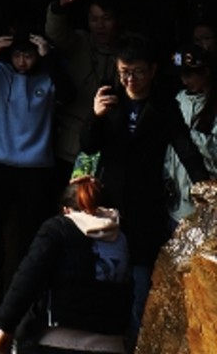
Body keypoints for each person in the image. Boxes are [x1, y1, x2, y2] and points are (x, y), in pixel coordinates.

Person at [80, 33, 207, 337]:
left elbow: (185, 147)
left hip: (146, 207)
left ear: (152, 70)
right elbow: (87, 146)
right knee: (104, 281)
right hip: (110, 203)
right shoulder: (109, 99)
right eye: (124, 71)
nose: (130, 79)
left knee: (140, 287)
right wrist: (95, 117)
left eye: (137, 72)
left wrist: (206, 184)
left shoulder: (163, 106)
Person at [0, 169, 131, 354]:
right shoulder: (121, 237)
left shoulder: (58, 229)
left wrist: (5, 325)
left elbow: (27, 278)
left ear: (67, 210)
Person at [0, 28, 61, 322]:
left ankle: (27, 303)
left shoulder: (48, 76)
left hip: (37, 168)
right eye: (16, 55)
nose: (21, 61)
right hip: (1, 163)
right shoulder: (0, 73)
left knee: (32, 236)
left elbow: (70, 93)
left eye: (27, 55)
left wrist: (49, 57)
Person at [45, 0, 123, 175]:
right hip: (72, 144)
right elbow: (56, 35)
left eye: (106, 19)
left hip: (112, 145)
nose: (100, 25)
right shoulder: (80, 42)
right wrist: (58, 8)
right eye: (94, 19)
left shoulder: (127, 51)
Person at [167, 47, 217, 220]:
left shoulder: (212, 106)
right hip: (177, 197)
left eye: (190, 75)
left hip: (208, 194)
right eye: (182, 75)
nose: (184, 80)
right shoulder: (179, 100)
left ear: (206, 73)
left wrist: (190, 137)